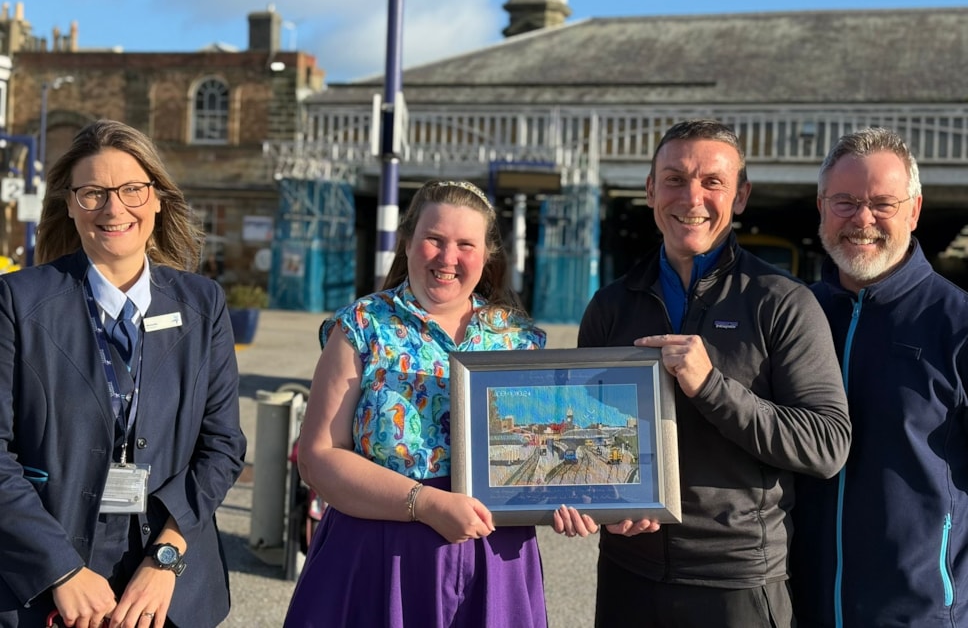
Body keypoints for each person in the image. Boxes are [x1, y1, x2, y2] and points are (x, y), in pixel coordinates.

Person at [563, 119, 852, 627]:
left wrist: (711, 386)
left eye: (712, 182)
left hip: (736, 581)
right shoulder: (610, 306)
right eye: (674, 179)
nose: (691, 197)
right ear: (651, 190)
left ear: (740, 196)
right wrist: (596, 499)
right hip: (628, 573)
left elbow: (826, 444)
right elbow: (586, 435)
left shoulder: (781, 302)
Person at [0, 120, 247, 627]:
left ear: (157, 197)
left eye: (132, 189)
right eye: (93, 193)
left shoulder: (203, 305)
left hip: (168, 584)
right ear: (69, 204)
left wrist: (166, 557)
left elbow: (222, 446)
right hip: (49, 583)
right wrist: (62, 572)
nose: (115, 209)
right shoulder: (18, 302)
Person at [284, 180, 550, 628]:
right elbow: (318, 457)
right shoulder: (361, 325)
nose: (448, 258)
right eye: (434, 240)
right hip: (378, 550)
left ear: (486, 256)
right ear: (407, 242)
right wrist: (424, 503)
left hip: (492, 556)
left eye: (465, 244)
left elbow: (542, 458)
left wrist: (584, 503)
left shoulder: (518, 341)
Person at [790, 127, 968, 626]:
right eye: (844, 201)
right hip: (802, 608)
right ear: (821, 206)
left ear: (913, 211)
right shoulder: (793, 315)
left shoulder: (957, 324)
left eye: (882, 204)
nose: (862, 220)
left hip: (920, 612)